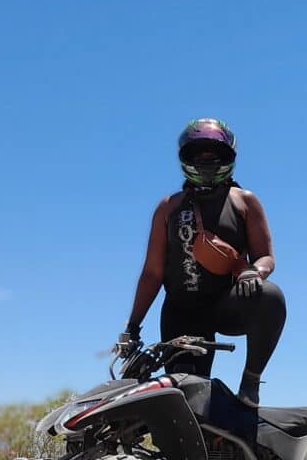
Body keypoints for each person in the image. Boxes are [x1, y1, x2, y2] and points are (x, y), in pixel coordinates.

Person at [116, 119, 284, 407]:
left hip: (226, 304)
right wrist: (132, 327)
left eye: (213, 155)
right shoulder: (168, 206)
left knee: (270, 295)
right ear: (186, 159)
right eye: (199, 155)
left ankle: (251, 382)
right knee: (187, 401)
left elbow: (266, 256)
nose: (206, 161)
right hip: (182, 313)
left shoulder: (245, 201)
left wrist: (255, 272)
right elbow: (152, 272)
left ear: (228, 158)